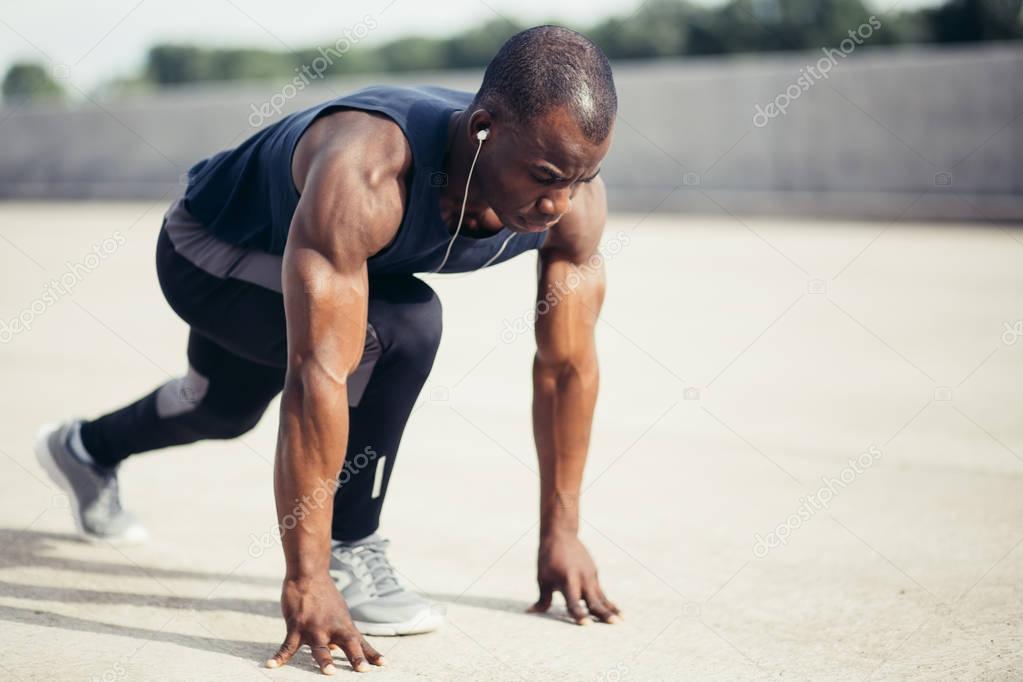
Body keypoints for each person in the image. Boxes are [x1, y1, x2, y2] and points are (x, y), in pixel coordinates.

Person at [35, 24, 622, 674]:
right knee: (405, 325)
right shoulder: (367, 169)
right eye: (544, 176)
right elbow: (318, 372)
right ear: (482, 127)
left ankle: (85, 448)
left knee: (222, 409)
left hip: (306, 257)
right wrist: (307, 579)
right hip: (210, 250)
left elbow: (566, 367)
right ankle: (353, 544)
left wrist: (560, 530)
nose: (559, 202)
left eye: (581, 176)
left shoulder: (570, 199)